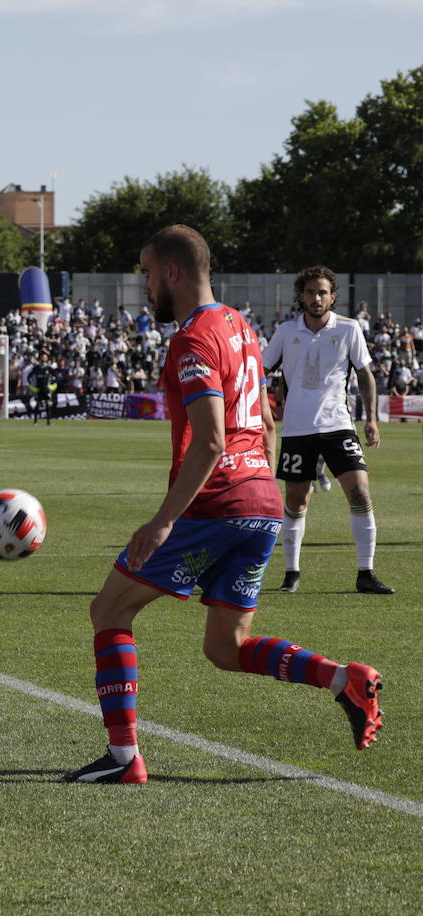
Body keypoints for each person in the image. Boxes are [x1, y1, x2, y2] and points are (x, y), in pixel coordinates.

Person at [65, 226, 383, 785]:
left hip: (218, 503)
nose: (142, 285)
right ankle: (345, 680)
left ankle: (123, 759)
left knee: (110, 610)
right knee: (225, 647)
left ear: (172, 272)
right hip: (260, 502)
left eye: (145, 272)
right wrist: (257, 479)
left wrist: (163, 521)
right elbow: (263, 422)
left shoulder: (192, 340)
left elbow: (211, 440)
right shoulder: (240, 324)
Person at [263, 266, 393, 595]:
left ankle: (366, 572)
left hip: (338, 425)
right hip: (297, 429)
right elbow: (260, 370)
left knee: (360, 492)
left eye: (322, 292)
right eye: (310, 292)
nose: (316, 298)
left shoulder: (349, 329)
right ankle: (291, 575)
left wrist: (372, 419)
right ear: (301, 296)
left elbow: (365, 375)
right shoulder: (285, 332)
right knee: (296, 499)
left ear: (332, 296)